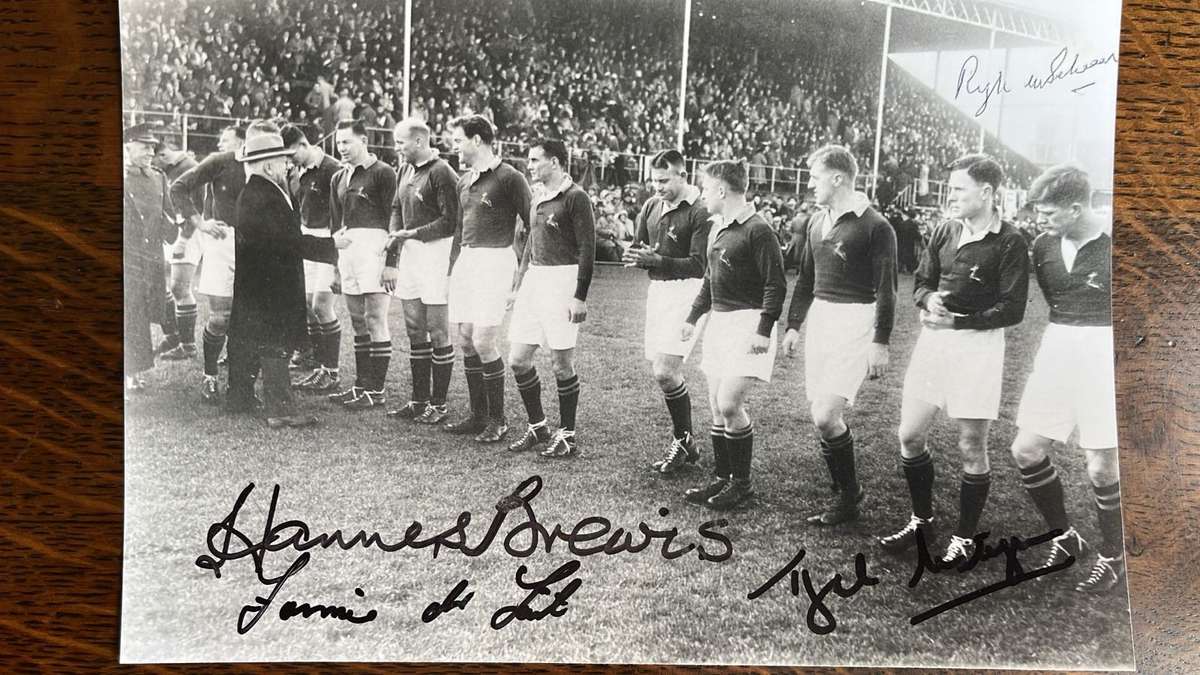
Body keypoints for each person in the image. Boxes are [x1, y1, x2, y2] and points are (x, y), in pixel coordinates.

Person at [878, 154, 1029, 564]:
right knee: (909, 435)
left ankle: (964, 537)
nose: (952, 195)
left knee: (971, 444)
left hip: (978, 348)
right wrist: (931, 299)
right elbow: (922, 281)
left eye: (959, 188)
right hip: (934, 343)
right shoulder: (945, 229)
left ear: (987, 192)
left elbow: (1013, 309)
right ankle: (921, 519)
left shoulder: (1010, 241)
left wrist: (959, 323)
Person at [1009, 164, 1124, 594]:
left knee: (1100, 464)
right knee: (1026, 449)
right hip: (1057, 348)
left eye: (1049, 212)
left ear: (1076, 208)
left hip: (1106, 351)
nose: (1040, 220)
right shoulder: (1042, 245)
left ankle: (1113, 556)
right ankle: (1065, 536)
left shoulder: (1119, 241)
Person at [782, 144, 897, 526]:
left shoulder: (876, 226)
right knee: (821, 415)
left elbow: (887, 289)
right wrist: (794, 325)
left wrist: (880, 341)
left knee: (826, 415)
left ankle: (849, 495)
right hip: (822, 319)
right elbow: (806, 280)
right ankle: (844, 492)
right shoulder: (816, 221)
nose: (810, 185)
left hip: (856, 321)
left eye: (815, 177)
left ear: (838, 178)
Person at [681, 160, 786, 510]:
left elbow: (775, 283)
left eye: (706, 188)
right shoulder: (718, 228)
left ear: (723, 191)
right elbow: (710, 281)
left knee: (729, 403)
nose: (702, 194)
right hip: (721, 323)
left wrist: (764, 328)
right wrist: (693, 317)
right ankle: (722, 479)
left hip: (748, 323)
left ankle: (742, 484)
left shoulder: (759, 229)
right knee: (715, 405)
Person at [227, 124, 337, 428]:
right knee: (275, 341)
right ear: (267, 164)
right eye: (281, 160)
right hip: (272, 283)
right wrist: (331, 247)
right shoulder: (263, 194)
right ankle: (282, 410)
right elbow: (287, 241)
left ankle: (240, 396)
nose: (287, 164)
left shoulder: (257, 191)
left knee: (249, 337)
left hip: (259, 281)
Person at [443, 114, 533, 443]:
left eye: (458, 140)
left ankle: (499, 419)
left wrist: (521, 273)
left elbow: (532, 223)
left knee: (483, 340)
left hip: (495, 261)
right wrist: (452, 267)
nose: (454, 146)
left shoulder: (510, 177)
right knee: (465, 339)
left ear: (477, 140)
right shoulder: (463, 181)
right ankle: (477, 414)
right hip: (468, 261)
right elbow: (457, 229)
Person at [622, 149, 711, 473]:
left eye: (663, 180)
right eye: (654, 180)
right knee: (663, 373)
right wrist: (634, 253)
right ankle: (686, 442)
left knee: (665, 370)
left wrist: (657, 260)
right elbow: (640, 244)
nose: (657, 186)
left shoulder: (700, 211)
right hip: (658, 291)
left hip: (688, 292)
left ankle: (682, 440)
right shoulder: (651, 205)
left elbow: (700, 264)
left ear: (682, 175)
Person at [505, 139, 595, 457]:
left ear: (554, 162)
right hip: (535, 280)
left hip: (563, 280)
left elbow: (587, 248)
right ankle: (538, 426)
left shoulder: (576, 197)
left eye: (535, 160)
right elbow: (531, 240)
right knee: (518, 358)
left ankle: (567, 434)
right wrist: (520, 281)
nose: (529, 165)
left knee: (561, 364)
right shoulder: (538, 196)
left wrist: (579, 296)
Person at [382, 118, 460, 424]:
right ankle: (418, 400)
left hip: (436, 253)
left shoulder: (442, 172)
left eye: (401, 142)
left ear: (418, 141)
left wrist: (411, 234)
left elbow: (450, 220)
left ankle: (438, 404)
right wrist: (395, 234)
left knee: (438, 330)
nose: (397, 148)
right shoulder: (404, 169)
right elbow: (395, 208)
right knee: (415, 327)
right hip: (411, 252)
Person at [170, 124, 247, 406]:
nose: (221, 144)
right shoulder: (218, 162)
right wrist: (200, 223)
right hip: (223, 241)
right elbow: (178, 188)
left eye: (225, 139)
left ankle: (243, 384)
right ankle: (210, 377)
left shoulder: (264, 164)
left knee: (250, 314)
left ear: (243, 140)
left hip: (256, 244)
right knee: (220, 317)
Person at [327, 120, 399, 410]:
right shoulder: (338, 178)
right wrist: (334, 265)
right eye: (339, 143)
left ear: (364, 141)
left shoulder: (383, 173)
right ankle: (361, 386)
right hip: (348, 251)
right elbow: (335, 224)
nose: (341, 148)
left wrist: (391, 261)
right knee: (357, 320)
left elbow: (394, 219)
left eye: (347, 142)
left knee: (375, 319)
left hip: (375, 247)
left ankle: (376, 390)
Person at [281, 124, 344, 393]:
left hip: (329, 243)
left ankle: (332, 371)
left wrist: (339, 259)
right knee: (307, 304)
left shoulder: (333, 169)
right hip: (308, 242)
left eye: (290, 154)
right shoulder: (300, 172)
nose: (288, 161)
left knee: (322, 306)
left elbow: (341, 213)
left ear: (303, 145)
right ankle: (319, 365)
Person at [123, 123, 175, 395]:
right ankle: (129, 373)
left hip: (152, 257)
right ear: (127, 147)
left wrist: (175, 227)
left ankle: (135, 370)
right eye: (144, 147)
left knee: (143, 311)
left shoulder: (159, 177)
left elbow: (168, 214)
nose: (150, 152)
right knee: (130, 313)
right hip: (128, 256)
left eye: (153, 147)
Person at [154, 138, 201, 361]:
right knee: (164, 286)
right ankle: (173, 336)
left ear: (162, 155)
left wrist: (184, 240)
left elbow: (197, 210)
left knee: (180, 288)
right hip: (175, 231)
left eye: (154, 161)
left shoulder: (190, 168)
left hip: (190, 232)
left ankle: (188, 345)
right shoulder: (169, 169)